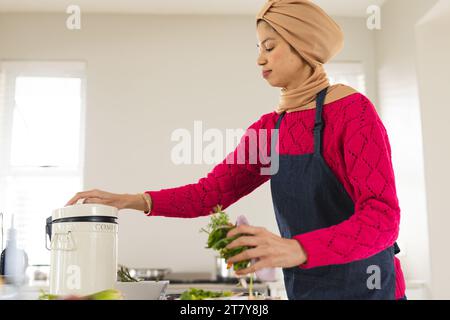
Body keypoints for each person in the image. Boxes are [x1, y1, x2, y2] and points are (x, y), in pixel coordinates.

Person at [66, 0, 406, 300]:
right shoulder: (270, 129)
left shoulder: (352, 112)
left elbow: (383, 218)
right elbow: (209, 194)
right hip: (307, 290)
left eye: (269, 46)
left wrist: (295, 247)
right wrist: (131, 200)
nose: (260, 59)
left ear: (303, 47)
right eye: (258, 47)